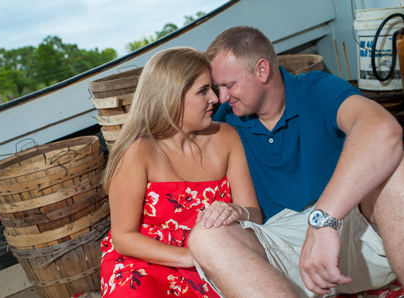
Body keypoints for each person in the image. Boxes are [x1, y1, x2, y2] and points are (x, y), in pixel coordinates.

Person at [191, 26, 404, 297]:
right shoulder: (224, 119)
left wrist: (323, 221)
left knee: (394, 165)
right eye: (216, 87)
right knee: (206, 237)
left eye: (229, 85)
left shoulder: (316, 88)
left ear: (262, 70)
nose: (221, 97)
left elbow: (383, 129)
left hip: (352, 231)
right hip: (282, 257)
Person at [99, 47, 261, 298]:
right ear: (171, 97)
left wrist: (237, 211)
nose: (216, 99)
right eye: (202, 91)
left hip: (216, 255)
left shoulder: (227, 137)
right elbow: (123, 237)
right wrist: (189, 257)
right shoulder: (136, 153)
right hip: (145, 263)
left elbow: (255, 215)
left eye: (212, 88)